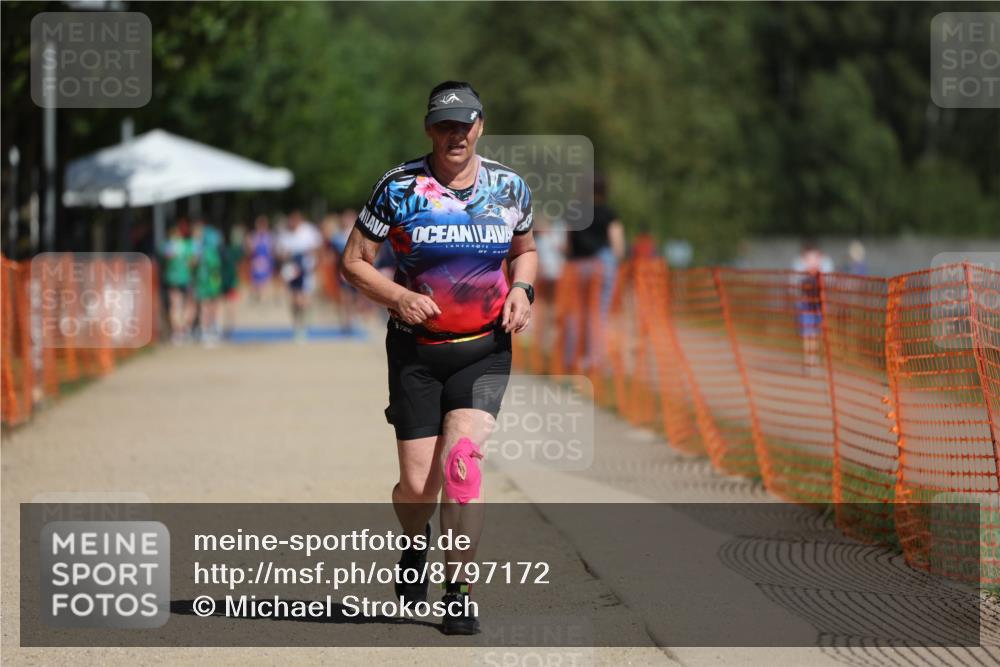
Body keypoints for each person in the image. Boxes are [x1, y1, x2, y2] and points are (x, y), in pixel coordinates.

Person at [340, 81, 536, 635]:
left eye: (465, 124)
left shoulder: (510, 187)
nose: (456, 134)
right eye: (445, 125)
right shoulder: (398, 187)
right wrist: (398, 296)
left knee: (462, 467)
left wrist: (523, 291)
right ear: (429, 129)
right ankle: (413, 542)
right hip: (416, 355)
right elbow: (353, 262)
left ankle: (459, 591)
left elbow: (526, 251)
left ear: (481, 126)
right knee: (417, 489)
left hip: (484, 350)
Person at [564, 172, 625, 370]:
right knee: (598, 313)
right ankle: (594, 361)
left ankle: (571, 358)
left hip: (577, 267)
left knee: (575, 312)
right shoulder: (609, 213)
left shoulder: (574, 211)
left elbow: (566, 245)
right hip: (601, 265)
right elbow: (618, 247)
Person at [277, 209, 323, 341]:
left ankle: (303, 322)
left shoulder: (308, 231)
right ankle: (297, 325)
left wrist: (314, 263)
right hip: (292, 269)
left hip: (306, 269)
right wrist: (284, 256)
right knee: (294, 299)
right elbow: (279, 253)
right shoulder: (284, 234)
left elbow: (318, 248)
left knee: (304, 299)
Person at [792, 239, 834, 375]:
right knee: (807, 334)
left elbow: (829, 280)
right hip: (805, 303)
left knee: (814, 333)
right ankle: (808, 361)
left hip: (818, 304)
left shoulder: (824, 262)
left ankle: (812, 360)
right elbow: (795, 283)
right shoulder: (799, 263)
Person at [160, 221, 195, 344]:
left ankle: (177, 332)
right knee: (189, 305)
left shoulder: (167, 245)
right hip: (185, 278)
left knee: (175, 305)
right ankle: (185, 329)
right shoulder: (188, 245)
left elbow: (164, 258)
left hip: (172, 279)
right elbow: (193, 262)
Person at [191, 218, 225, 346]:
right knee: (211, 304)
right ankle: (212, 328)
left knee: (208, 305)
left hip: (205, 278)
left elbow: (194, 262)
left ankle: (209, 329)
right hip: (211, 277)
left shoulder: (200, 244)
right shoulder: (212, 239)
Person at [246, 215, 275, 303]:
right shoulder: (254, 236)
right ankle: (257, 296)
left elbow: (271, 250)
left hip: (266, 261)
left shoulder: (269, 236)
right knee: (256, 281)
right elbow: (250, 250)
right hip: (256, 261)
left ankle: (262, 297)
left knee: (264, 281)